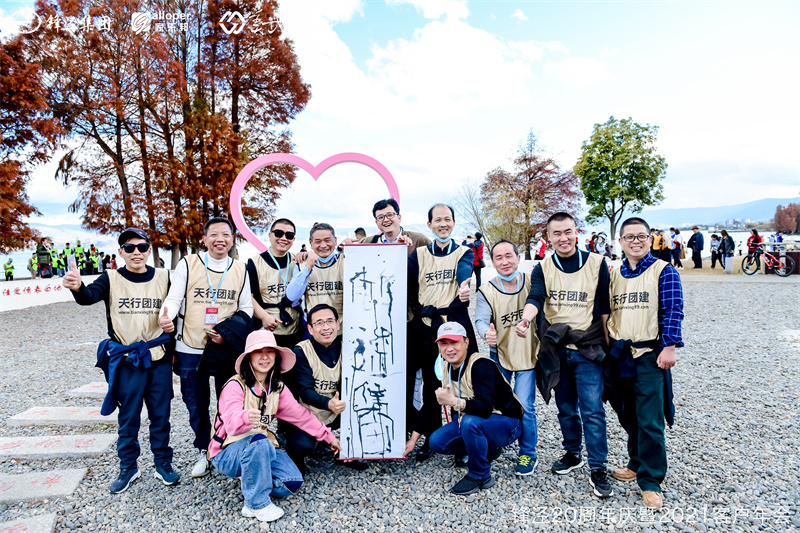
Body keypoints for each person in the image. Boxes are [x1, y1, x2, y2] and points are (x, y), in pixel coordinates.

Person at [63, 227, 179, 493]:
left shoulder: (164, 277)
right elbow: (88, 297)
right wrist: (78, 287)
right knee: (128, 416)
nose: (136, 252)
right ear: (121, 252)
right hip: (127, 359)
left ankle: (163, 463)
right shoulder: (111, 278)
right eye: (129, 248)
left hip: (158, 356)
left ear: (149, 250)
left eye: (141, 247)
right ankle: (128, 466)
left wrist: (172, 329)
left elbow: (178, 307)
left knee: (161, 415)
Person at [516, 212, 613, 498]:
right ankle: (573, 452)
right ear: (548, 237)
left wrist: (608, 346)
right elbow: (535, 298)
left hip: (588, 347)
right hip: (557, 348)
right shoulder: (543, 267)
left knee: (592, 409)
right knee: (566, 407)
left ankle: (598, 466)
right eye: (556, 233)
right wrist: (525, 319)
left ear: (577, 232)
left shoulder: (597, 263)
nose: (563, 238)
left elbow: (604, 307)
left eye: (568, 232)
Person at [210, 329, 342, 523]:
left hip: (259, 447)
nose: (265, 357)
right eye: (258, 352)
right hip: (226, 452)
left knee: (292, 483)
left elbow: (302, 416)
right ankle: (255, 504)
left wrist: (329, 437)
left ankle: (251, 477)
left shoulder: (277, 388)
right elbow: (230, 425)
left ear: (276, 356)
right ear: (249, 357)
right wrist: (246, 417)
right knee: (259, 441)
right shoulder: (235, 386)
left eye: (270, 351)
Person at [160, 216, 253, 479]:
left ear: (233, 239)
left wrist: (226, 334)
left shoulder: (239, 268)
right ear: (204, 239)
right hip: (190, 346)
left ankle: (224, 447)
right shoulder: (189, 264)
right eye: (214, 234)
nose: (220, 239)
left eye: (226, 234)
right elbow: (174, 297)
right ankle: (203, 450)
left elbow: (245, 309)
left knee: (229, 402)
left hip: (224, 348)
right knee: (197, 404)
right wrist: (164, 317)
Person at [607, 217, 684, 510]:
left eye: (641, 236)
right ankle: (635, 462)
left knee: (651, 418)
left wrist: (669, 346)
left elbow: (673, 311)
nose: (635, 241)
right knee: (627, 414)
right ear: (622, 241)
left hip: (650, 354)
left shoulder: (664, 271)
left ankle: (651, 481)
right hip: (621, 355)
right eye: (630, 237)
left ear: (650, 239)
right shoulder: (615, 274)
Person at [404, 204, 475, 462]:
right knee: (431, 384)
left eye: (448, 219)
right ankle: (432, 436)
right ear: (429, 225)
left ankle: (464, 439)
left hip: (454, 320)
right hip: (427, 324)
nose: (443, 224)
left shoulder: (464, 252)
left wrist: (465, 286)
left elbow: (464, 273)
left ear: (454, 223)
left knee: (462, 380)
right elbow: (404, 281)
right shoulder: (420, 254)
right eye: (437, 220)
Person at [425, 322, 523, 495]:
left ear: (466, 342)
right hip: (477, 420)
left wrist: (455, 401)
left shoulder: (481, 365)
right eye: (444, 343)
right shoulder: (445, 366)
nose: (449, 349)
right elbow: (433, 402)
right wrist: (414, 438)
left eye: (454, 342)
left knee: (470, 422)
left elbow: (485, 408)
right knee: (436, 441)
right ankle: (488, 447)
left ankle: (480, 475)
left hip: (508, 422)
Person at [475, 239, 540, 476]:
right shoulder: (487, 290)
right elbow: (481, 319)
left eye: (509, 256)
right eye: (498, 258)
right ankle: (494, 445)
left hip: (527, 356)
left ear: (518, 257)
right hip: (499, 356)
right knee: (496, 406)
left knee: (525, 406)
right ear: (492, 262)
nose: (505, 261)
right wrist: (486, 333)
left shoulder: (532, 282)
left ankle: (528, 452)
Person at [281, 304, 367, 473]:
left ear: (338, 324)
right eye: (319, 323)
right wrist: (328, 403)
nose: (326, 327)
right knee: (301, 445)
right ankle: (296, 459)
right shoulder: (301, 351)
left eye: (330, 321)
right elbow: (304, 392)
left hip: (337, 413)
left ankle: (346, 453)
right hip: (308, 415)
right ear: (310, 329)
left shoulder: (348, 348)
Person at [246, 218, 305, 348]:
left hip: (296, 330)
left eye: (289, 235)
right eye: (278, 233)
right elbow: (248, 297)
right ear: (270, 235)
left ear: (293, 240)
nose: (283, 238)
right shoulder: (254, 263)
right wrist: (264, 317)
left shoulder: (299, 260)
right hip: (266, 330)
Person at [358, 198, 431, 253]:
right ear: (376, 222)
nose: (386, 220)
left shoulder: (418, 240)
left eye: (390, 215)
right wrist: (347, 248)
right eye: (380, 217)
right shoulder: (368, 243)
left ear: (399, 218)